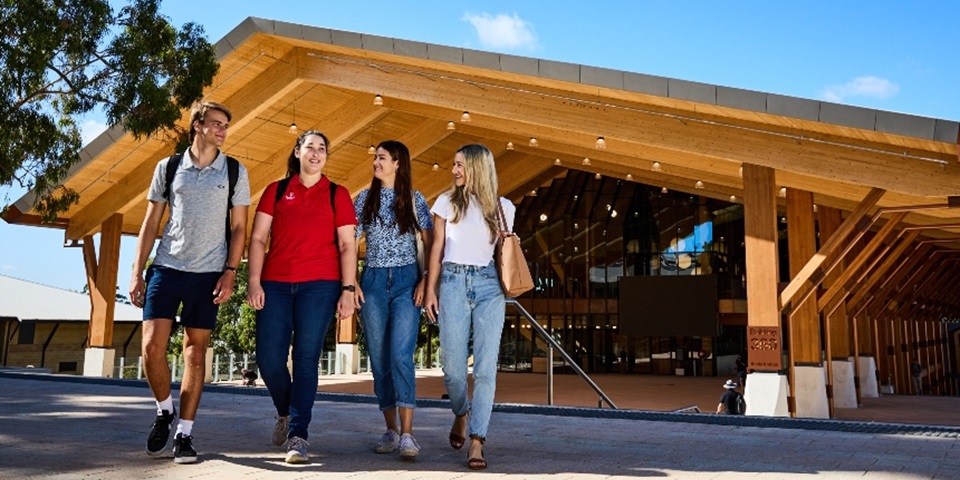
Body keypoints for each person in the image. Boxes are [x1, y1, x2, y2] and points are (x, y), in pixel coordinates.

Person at [129, 101, 250, 464]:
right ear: (196, 125)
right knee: (151, 347)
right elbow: (151, 223)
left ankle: (185, 433)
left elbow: (241, 227)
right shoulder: (168, 167)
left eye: (225, 125)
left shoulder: (233, 170)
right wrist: (137, 271)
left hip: (209, 273)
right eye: (215, 123)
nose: (222, 130)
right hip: (166, 267)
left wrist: (231, 271)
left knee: (195, 352)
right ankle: (164, 410)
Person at [246, 130, 358, 464]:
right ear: (297, 152)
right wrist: (254, 281)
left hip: (320, 285)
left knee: (307, 359)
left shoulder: (337, 194)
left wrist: (348, 290)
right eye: (310, 147)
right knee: (268, 359)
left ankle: (298, 435)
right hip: (275, 284)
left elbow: (348, 245)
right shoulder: (276, 190)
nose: (316, 153)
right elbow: (257, 239)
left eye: (322, 149)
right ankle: (285, 410)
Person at [424, 144, 515, 471]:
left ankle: (477, 440)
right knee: (451, 366)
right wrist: (429, 289)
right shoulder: (446, 202)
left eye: (459, 165)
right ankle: (461, 412)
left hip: (489, 286)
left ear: (476, 167)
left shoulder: (504, 208)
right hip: (451, 282)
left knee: (486, 369)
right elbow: (436, 249)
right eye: (454, 164)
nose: (454, 170)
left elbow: (504, 253)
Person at [353, 140, 434, 460]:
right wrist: (350, 283)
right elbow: (348, 241)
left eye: (382, 158)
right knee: (379, 359)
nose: (376, 162)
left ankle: (409, 435)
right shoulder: (363, 199)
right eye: (375, 157)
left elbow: (431, 246)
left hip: (406, 282)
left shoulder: (415, 201)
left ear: (398, 163)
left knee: (401, 355)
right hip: (372, 281)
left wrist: (427, 280)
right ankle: (391, 429)